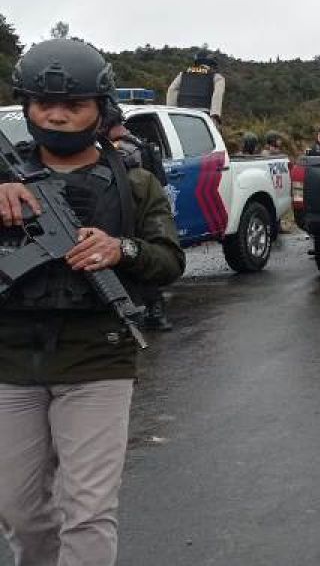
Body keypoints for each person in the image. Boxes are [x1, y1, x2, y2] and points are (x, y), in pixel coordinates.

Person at [0, 38, 185, 566]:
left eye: (73, 105)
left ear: (98, 109)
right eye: (43, 105)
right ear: (28, 108)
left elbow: (168, 260)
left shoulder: (135, 181)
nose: (56, 117)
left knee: (88, 510)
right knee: (17, 509)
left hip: (98, 358)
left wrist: (120, 248)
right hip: (10, 359)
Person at [103, 108, 173, 331]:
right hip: (145, 209)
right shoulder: (138, 143)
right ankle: (155, 311)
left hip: (132, 210)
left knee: (139, 260)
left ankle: (153, 312)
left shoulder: (122, 148)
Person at [166, 50, 225, 125]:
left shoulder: (182, 75)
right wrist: (215, 116)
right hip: (203, 116)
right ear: (211, 64)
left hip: (183, 113)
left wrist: (172, 112)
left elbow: (172, 90)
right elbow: (217, 95)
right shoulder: (217, 77)